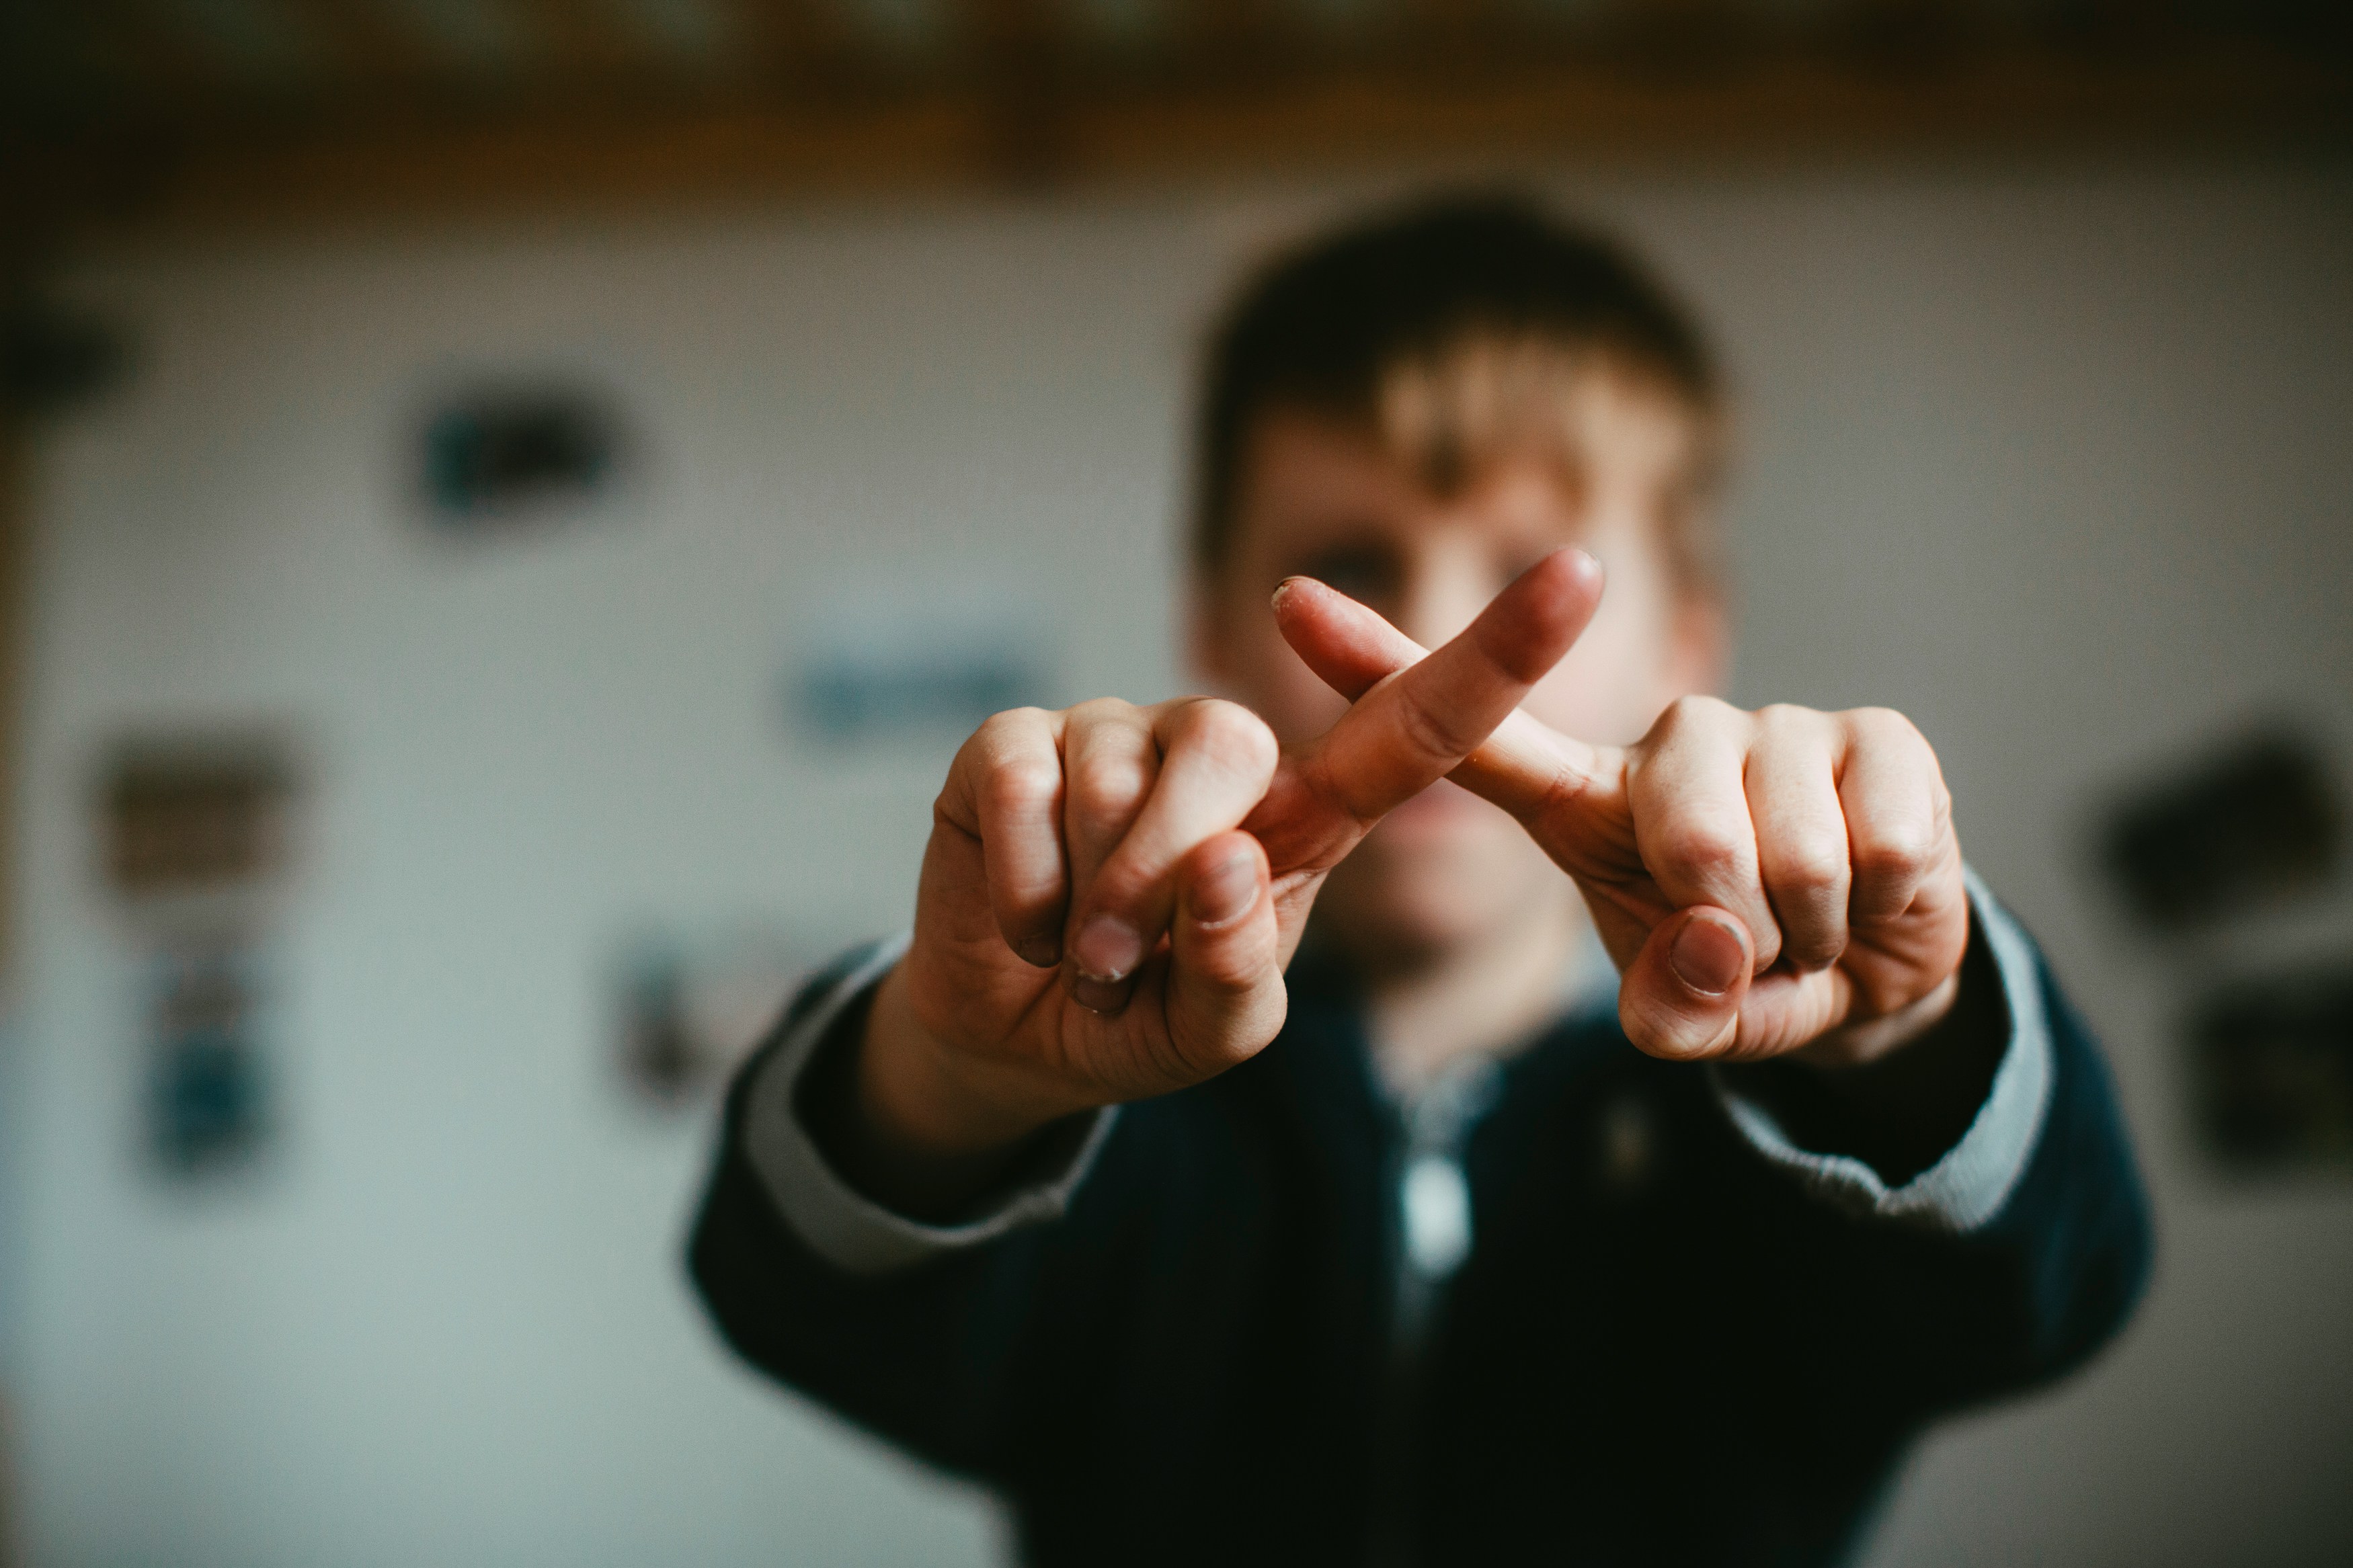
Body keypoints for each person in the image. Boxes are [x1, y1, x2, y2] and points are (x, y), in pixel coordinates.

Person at [688, 196, 2151, 1566]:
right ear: (1212, 622)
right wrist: (951, 1079)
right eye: (1350, 561)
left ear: (1691, 643)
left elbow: (2045, 1297)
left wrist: (1901, 1033)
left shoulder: (1764, 1146)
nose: (1440, 655)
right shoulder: (1110, 1117)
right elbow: (793, 1300)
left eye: (1530, 576)